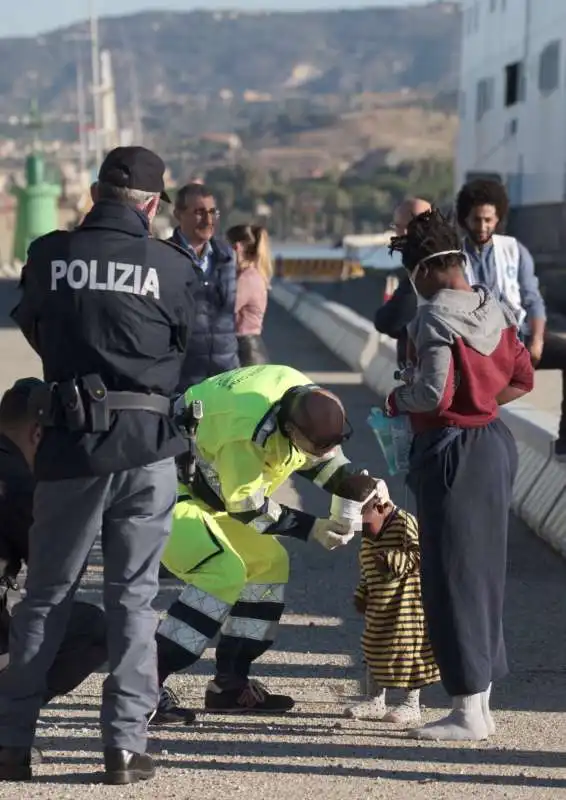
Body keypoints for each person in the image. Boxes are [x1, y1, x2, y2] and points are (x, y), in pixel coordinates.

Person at [0, 146, 197, 784]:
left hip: (70, 445)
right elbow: (183, 343)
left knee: (46, 599)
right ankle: (122, 747)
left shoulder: (49, 255)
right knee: (135, 601)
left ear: (92, 192)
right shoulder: (170, 264)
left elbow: (33, 327)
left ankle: (10, 744)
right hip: (147, 447)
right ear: (150, 205)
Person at [384, 209, 534, 742]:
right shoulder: (491, 305)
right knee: (484, 575)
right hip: (493, 444)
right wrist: (483, 402)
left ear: (423, 270)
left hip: (450, 451)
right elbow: (523, 377)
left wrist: (395, 396)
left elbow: (433, 394)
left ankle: (466, 712)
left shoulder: (432, 319)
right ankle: (481, 704)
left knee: (450, 578)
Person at [151, 364, 375, 720]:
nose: (323, 452)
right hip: (164, 487)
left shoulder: (306, 401)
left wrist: (357, 486)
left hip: (210, 488)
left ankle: (230, 683)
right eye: (317, 446)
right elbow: (248, 508)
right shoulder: (246, 433)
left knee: (268, 565)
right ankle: (143, 685)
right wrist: (312, 528)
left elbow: (319, 459)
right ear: (289, 430)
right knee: (220, 571)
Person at [0, 378, 107, 765]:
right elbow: (52, 571)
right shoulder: (17, 481)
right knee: (90, 628)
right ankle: (4, 723)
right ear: (38, 432)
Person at [456, 179, 566, 458]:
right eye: (476, 219)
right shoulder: (455, 258)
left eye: (488, 220)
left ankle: (565, 441)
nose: (482, 226)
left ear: (498, 218)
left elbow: (533, 300)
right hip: (478, 347)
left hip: (520, 339)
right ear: (465, 219)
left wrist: (538, 341)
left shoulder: (515, 251)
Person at [344, 474, 439, 725]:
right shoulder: (368, 537)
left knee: (408, 652)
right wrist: (362, 593)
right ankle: (374, 700)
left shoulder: (405, 522)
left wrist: (392, 560)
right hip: (379, 607)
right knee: (374, 649)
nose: (360, 529)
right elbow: (366, 569)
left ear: (380, 507)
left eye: (362, 522)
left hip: (407, 607)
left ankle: (411, 704)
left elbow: (422, 554)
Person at [170, 183, 240, 391]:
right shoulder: (165, 257)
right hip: (182, 380)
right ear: (178, 214)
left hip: (226, 377)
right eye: (199, 213)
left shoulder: (227, 257)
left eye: (212, 212)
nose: (208, 220)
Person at [374, 198, 432, 367]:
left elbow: (390, 320)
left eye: (397, 228)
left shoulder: (423, 268)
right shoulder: (453, 260)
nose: (397, 235)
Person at [226, 224, 272, 366]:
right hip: (248, 348)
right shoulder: (251, 274)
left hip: (245, 351)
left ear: (237, 248)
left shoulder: (247, 278)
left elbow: (224, 309)